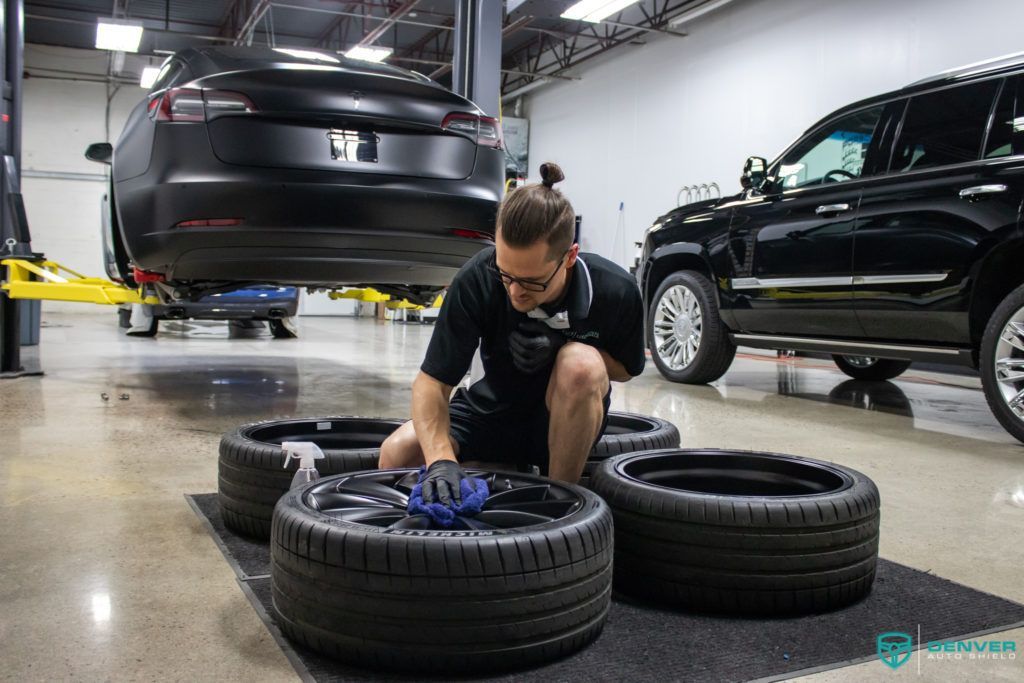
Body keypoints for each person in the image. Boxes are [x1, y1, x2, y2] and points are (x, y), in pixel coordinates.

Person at [379, 162, 646, 507]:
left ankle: (557, 501)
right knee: (398, 453)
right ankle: (493, 468)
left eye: (532, 281)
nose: (515, 292)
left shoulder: (614, 290)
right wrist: (441, 462)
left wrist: (563, 346)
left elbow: (626, 370)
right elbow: (432, 383)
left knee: (579, 364)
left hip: (561, 421)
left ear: (569, 257)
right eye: (506, 275)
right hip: (491, 413)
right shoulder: (478, 276)